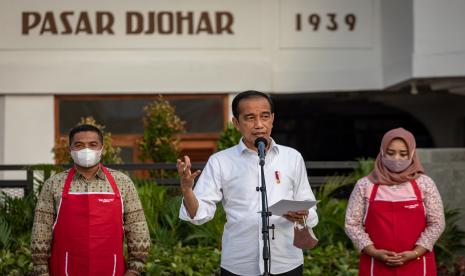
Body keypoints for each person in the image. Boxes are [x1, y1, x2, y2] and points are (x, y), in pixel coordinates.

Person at [177, 90, 318, 276]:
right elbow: (200, 214)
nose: (259, 125)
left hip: (286, 262)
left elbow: (309, 206)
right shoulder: (221, 161)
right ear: (236, 122)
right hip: (239, 264)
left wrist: (303, 214)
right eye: (250, 118)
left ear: (273, 119)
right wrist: (187, 190)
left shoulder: (292, 157)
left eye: (265, 116)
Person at [31, 124, 150, 276]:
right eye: (79, 145)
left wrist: (134, 269)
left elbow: (137, 228)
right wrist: (41, 271)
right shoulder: (53, 184)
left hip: (111, 269)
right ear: (70, 149)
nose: (86, 150)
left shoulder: (123, 182)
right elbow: (41, 231)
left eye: (92, 145)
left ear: (102, 148)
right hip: (65, 268)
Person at [345, 127, 445, 275]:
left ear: (412, 154)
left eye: (403, 154)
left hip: (418, 263)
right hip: (375, 263)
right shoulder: (365, 185)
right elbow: (352, 223)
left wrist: (415, 252)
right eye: (390, 153)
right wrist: (373, 251)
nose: (396, 159)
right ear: (382, 152)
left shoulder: (424, 184)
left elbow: (437, 223)